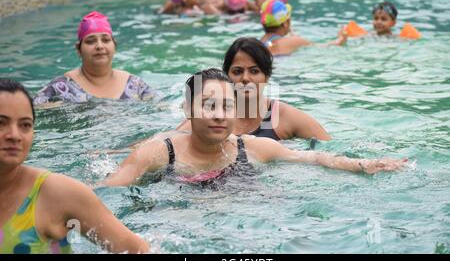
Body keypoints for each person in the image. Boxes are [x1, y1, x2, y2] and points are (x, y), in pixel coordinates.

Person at [100, 68, 407, 188]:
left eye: (227, 106)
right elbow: (107, 191)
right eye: (208, 105)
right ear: (186, 110)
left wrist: (363, 165)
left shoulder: (252, 147)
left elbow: (313, 158)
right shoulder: (157, 154)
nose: (219, 115)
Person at [0, 79, 149, 254]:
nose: (15, 135)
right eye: (1, 123)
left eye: (25, 125)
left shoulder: (56, 193)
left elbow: (138, 250)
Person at [177, 38, 331, 142]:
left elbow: (330, 148)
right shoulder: (209, 118)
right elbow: (168, 142)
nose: (245, 78)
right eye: (237, 71)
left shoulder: (284, 116)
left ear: (267, 76)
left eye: (254, 71)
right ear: (226, 77)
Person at [33, 11, 158, 106]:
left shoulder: (135, 85)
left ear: (115, 46)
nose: (99, 46)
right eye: (90, 41)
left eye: (106, 40)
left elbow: (162, 109)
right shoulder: (61, 88)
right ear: (78, 50)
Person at [260, 0, 347, 56]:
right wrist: (341, 39)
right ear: (285, 23)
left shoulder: (260, 43)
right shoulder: (295, 41)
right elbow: (322, 47)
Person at [345, 2, 421, 39]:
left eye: (383, 19)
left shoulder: (398, 39)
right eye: (376, 18)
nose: (378, 22)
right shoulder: (367, 36)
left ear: (393, 23)